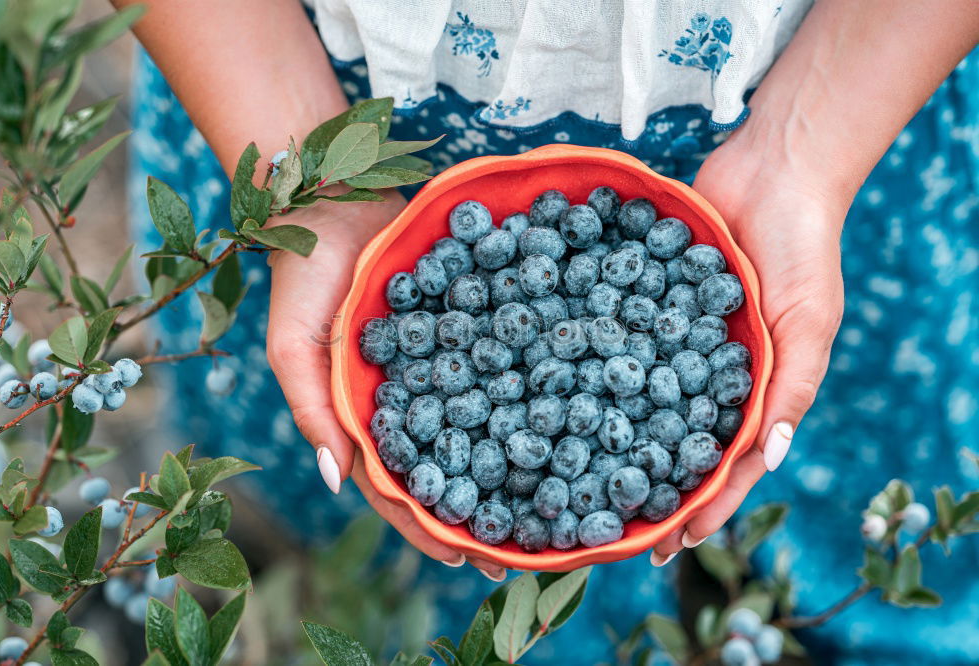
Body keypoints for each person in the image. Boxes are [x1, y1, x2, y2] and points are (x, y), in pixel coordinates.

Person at [120, 0, 979, 662]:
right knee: (420, 579)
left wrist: (809, 148)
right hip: (311, 106)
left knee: (873, 469)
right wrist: (310, 177)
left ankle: (865, 616)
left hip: (846, 92)